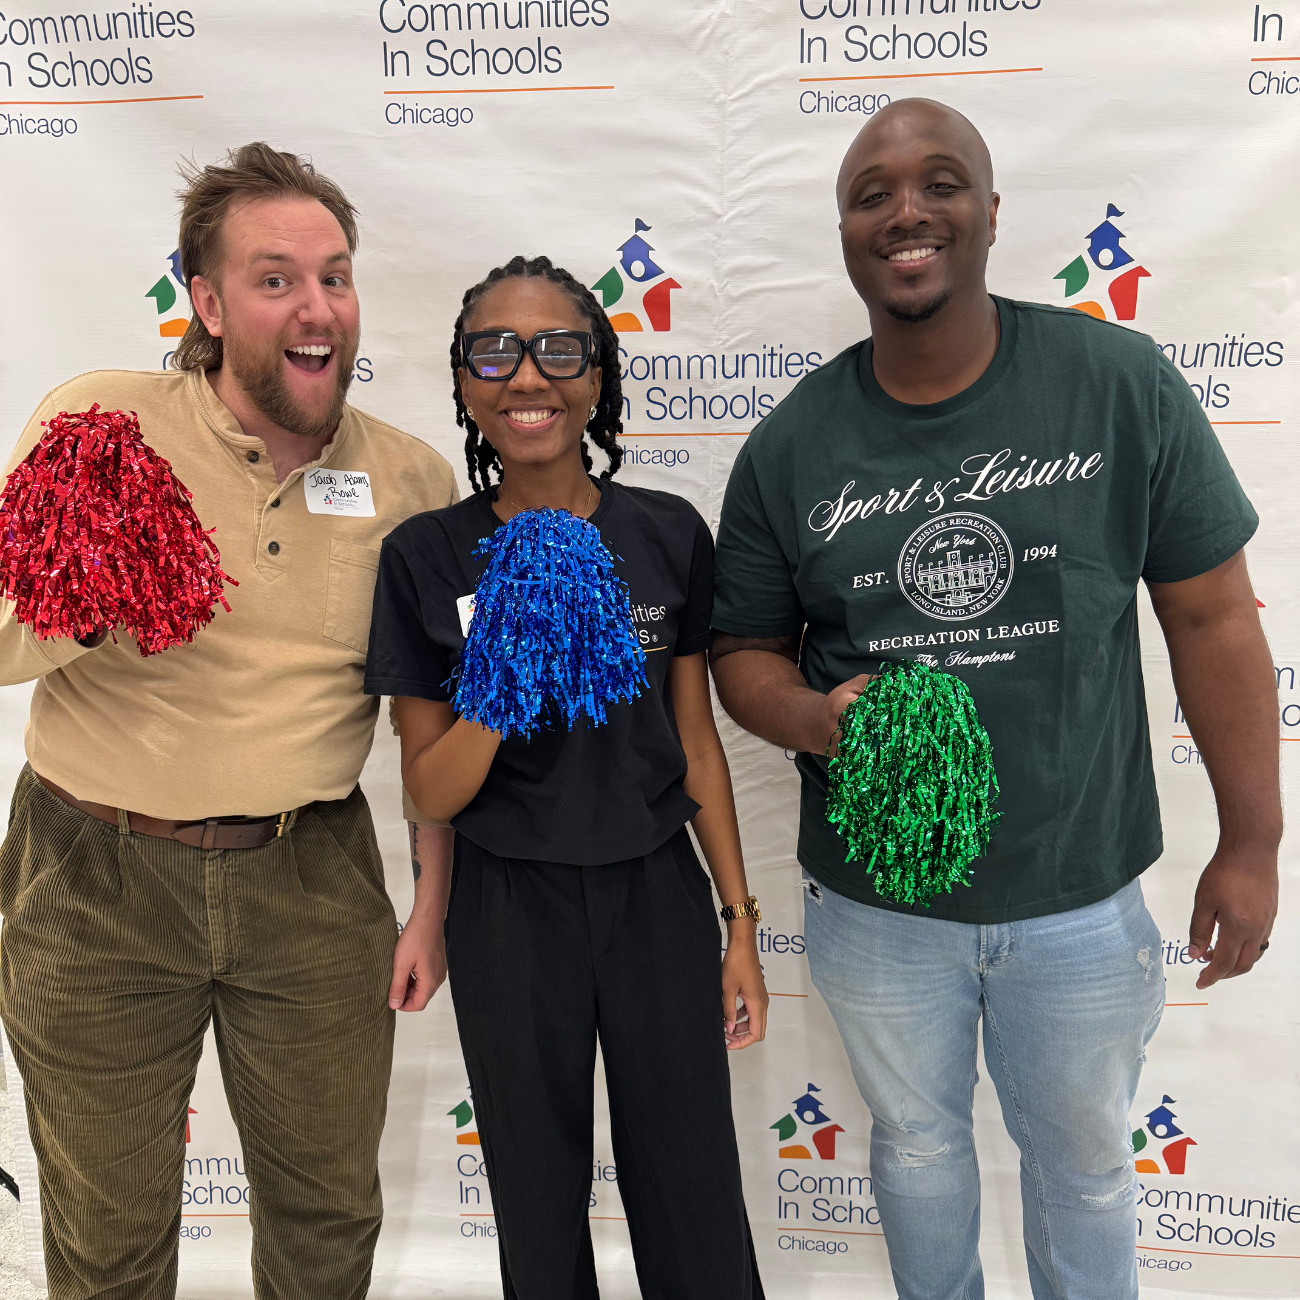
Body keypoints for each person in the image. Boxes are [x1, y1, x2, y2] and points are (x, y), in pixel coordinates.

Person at [708, 99, 1279, 1300]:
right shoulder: (791, 444)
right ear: (845, 230)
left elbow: (1213, 615)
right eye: (872, 193)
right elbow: (742, 653)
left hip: (1076, 893)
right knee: (916, 1150)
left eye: (940, 182)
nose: (906, 210)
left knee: (1081, 1168)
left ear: (990, 213)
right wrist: (816, 719)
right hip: (879, 903)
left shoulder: (1113, 384)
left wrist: (1252, 837)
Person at [0, 143, 457, 1299]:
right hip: (93, 879)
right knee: (107, 1238)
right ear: (203, 301)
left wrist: (435, 903)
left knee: (326, 1217)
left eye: (335, 275)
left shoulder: (411, 481)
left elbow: (426, 721)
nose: (317, 308)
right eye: (275, 279)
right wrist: (98, 595)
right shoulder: (99, 424)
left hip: (310, 883)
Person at [365, 255, 768, 1300]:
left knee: (691, 1185)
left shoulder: (667, 532)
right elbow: (430, 792)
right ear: (462, 381)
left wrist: (738, 921)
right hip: (506, 903)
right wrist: (505, 672)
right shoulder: (425, 554)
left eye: (558, 349)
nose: (526, 376)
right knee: (534, 1193)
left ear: (597, 376)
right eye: (493, 352)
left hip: (653, 889)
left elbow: (695, 744)